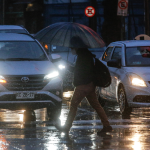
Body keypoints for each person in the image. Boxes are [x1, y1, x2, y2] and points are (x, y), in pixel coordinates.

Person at [54, 46, 112, 135]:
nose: (71, 50)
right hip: (90, 85)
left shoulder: (82, 57)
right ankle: (106, 125)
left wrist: (68, 67)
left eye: (72, 48)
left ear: (76, 48)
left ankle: (66, 127)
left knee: (73, 105)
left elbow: (80, 71)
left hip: (82, 86)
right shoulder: (88, 56)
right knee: (96, 105)